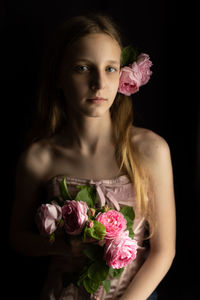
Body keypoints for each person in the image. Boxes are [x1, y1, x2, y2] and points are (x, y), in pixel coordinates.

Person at [9, 12, 176, 300]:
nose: (99, 83)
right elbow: (17, 237)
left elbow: (164, 251)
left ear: (123, 75)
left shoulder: (151, 150)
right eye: (83, 68)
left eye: (110, 68)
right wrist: (60, 246)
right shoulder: (39, 158)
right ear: (59, 76)